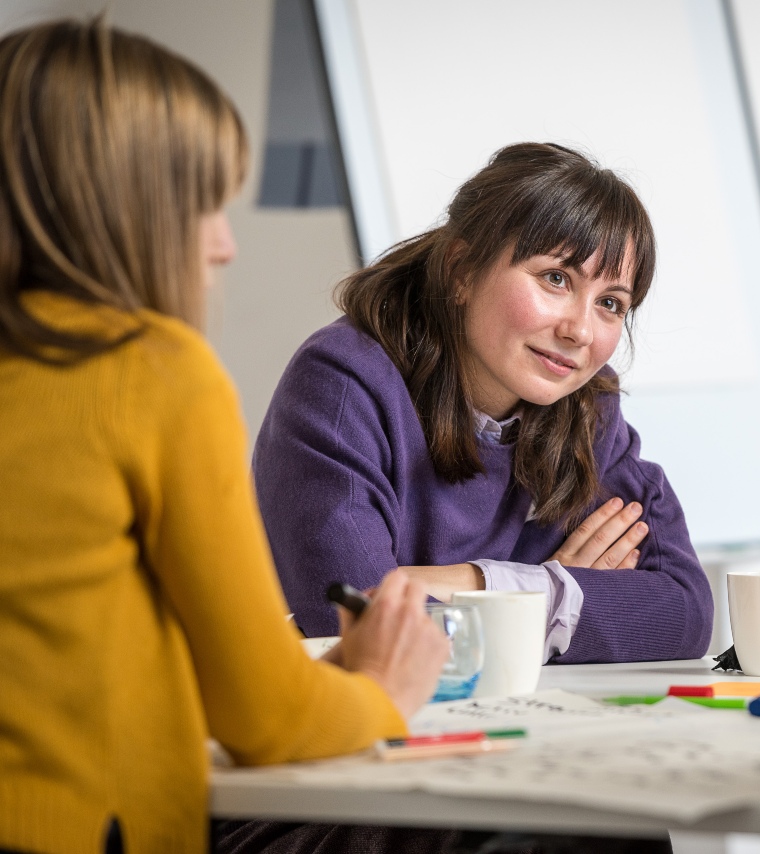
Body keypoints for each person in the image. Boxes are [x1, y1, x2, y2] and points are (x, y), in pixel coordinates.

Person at [0, 18, 450, 854]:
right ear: (120, 207)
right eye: (202, 203)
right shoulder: (151, 370)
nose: (224, 244)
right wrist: (385, 693)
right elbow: (266, 721)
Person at [253, 141, 714, 665]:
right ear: (461, 271)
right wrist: (559, 598)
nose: (580, 330)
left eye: (611, 303)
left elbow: (686, 613)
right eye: (555, 278)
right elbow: (371, 631)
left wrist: (494, 585)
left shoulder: (588, 406)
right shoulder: (339, 385)